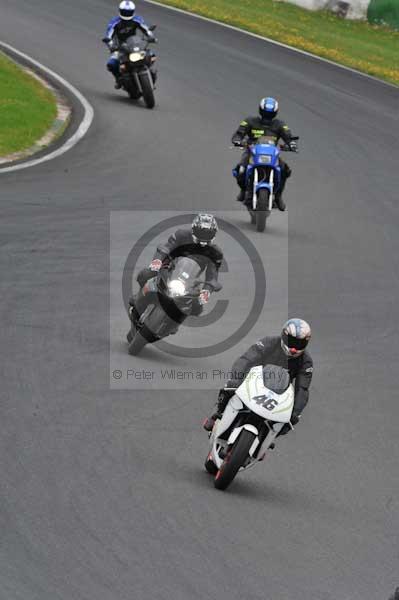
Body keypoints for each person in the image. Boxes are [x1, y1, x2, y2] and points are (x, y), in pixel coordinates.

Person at [203, 318, 313, 436]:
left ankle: (264, 444)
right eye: (292, 342)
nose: (294, 348)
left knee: (288, 422)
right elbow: (246, 359)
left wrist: (296, 412)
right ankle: (217, 414)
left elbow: (302, 388)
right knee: (230, 388)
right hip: (253, 382)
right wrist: (236, 379)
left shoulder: (306, 361)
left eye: (299, 344)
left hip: (277, 394)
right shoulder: (269, 342)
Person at [128, 214, 223, 327]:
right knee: (147, 274)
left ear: (214, 234)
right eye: (201, 233)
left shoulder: (215, 252)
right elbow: (166, 247)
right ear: (194, 229)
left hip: (190, 279)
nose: (203, 239)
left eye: (208, 234)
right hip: (169, 267)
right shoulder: (181, 235)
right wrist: (157, 261)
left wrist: (207, 291)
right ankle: (138, 298)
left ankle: (173, 324)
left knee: (198, 307)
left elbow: (212, 276)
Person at [231, 97, 298, 211]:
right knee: (240, 169)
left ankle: (278, 197)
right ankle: (243, 190)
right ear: (261, 111)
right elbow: (239, 133)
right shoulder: (250, 121)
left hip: (272, 153)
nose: (267, 116)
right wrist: (238, 140)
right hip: (251, 151)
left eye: (270, 113)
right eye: (266, 113)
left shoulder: (280, 124)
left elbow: (288, 136)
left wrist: (291, 144)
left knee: (285, 170)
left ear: (275, 113)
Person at [103, 1, 157, 89]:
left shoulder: (137, 19)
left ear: (133, 11)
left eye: (128, 12)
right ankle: (118, 79)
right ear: (120, 11)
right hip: (120, 47)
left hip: (134, 44)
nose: (127, 14)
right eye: (125, 12)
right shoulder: (114, 22)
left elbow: (146, 29)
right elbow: (109, 35)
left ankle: (150, 74)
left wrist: (151, 37)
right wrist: (111, 44)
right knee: (111, 64)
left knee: (151, 55)